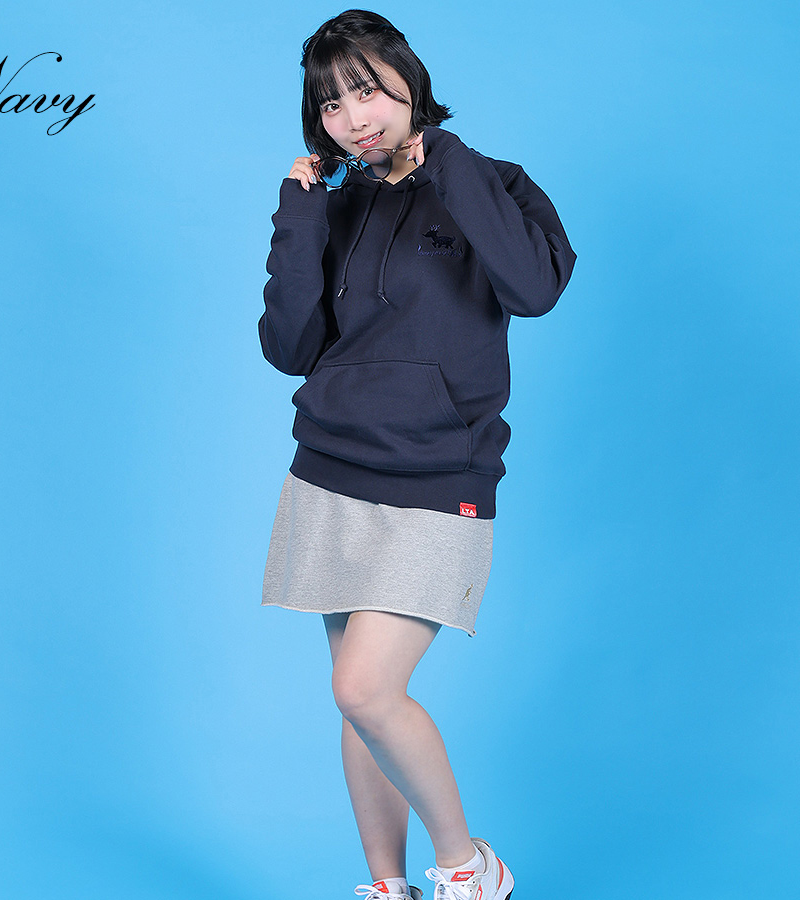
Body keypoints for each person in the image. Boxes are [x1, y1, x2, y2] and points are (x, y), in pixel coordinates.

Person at [258, 10, 576, 900]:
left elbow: (536, 288)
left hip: (440, 476)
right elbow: (289, 346)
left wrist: (446, 160)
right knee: (357, 706)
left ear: (409, 81)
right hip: (330, 472)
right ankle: (387, 886)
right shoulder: (335, 200)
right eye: (330, 104)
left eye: (365, 90)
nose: (352, 118)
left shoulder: (493, 182)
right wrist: (298, 212)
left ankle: (470, 866)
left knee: (366, 689)